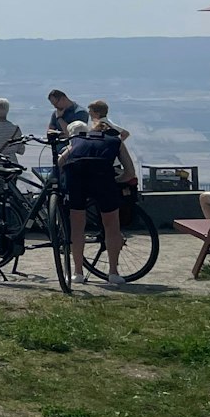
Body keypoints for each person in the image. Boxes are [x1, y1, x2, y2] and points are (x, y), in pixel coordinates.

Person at [57, 100, 139, 285]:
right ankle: (113, 273)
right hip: (103, 181)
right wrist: (116, 181)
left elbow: (60, 163)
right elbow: (130, 173)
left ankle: (78, 273)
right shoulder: (115, 141)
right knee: (111, 226)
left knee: (78, 227)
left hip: (77, 181)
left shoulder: (78, 140)